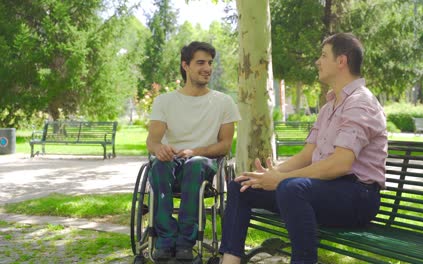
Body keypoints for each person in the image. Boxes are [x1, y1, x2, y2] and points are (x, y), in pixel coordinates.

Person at [219, 33, 387, 264]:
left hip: (358, 197)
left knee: (291, 187)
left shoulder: (361, 103)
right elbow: (307, 155)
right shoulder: (330, 107)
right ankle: (229, 261)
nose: (318, 61)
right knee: (242, 186)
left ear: (341, 61)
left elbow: (340, 164)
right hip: (323, 190)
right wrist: (270, 175)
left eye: (323, 55)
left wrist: (281, 179)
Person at [146, 41, 241, 262]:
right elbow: (152, 140)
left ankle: (185, 242)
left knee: (194, 163)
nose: (207, 67)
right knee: (159, 164)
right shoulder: (165, 101)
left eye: (209, 63)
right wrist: (161, 149)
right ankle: (165, 238)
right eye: (200, 62)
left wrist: (195, 151)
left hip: (203, 164)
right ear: (185, 65)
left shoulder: (224, 102)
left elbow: (225, 145)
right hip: (172, 163)